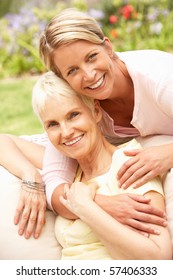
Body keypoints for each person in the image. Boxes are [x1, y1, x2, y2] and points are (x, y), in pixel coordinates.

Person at [38, 8, 173, 231]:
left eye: (92, 57)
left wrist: (167, 154)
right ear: (63, 79)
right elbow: (55, 185)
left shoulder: (159, 78)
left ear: (108, 47)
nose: (89, 74)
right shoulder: (81, 106)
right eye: (72, 71)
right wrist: (101, 205)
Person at [31, 70, 172, 259]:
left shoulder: (129, 165)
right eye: (53, 124)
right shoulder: (70, 170)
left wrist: (85, 207)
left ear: (96, 112)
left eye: (73, 115)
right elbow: (5, 142)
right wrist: (29, 176)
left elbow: (159, 258)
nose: (66, 132)